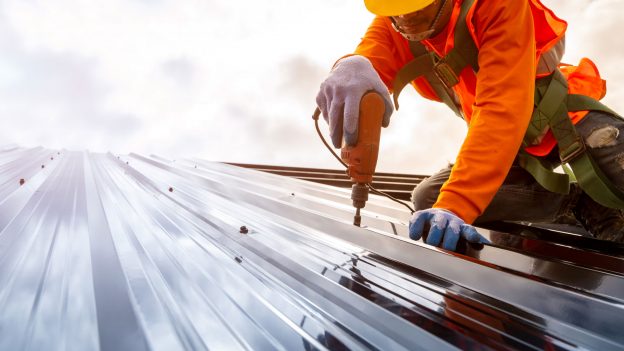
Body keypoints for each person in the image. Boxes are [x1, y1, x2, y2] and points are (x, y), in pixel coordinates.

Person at [315, 0, 624, 251]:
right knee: (429, 201)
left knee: (613, 161)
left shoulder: (497, 5)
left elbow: (500, 111)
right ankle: (579, 204)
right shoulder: (396, 18)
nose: (405, 20)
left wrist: (458, 205)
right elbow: (372, 54)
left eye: (418, 8)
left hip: (565, 120)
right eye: (396, 12)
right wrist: (352, 65)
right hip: (511, 149)